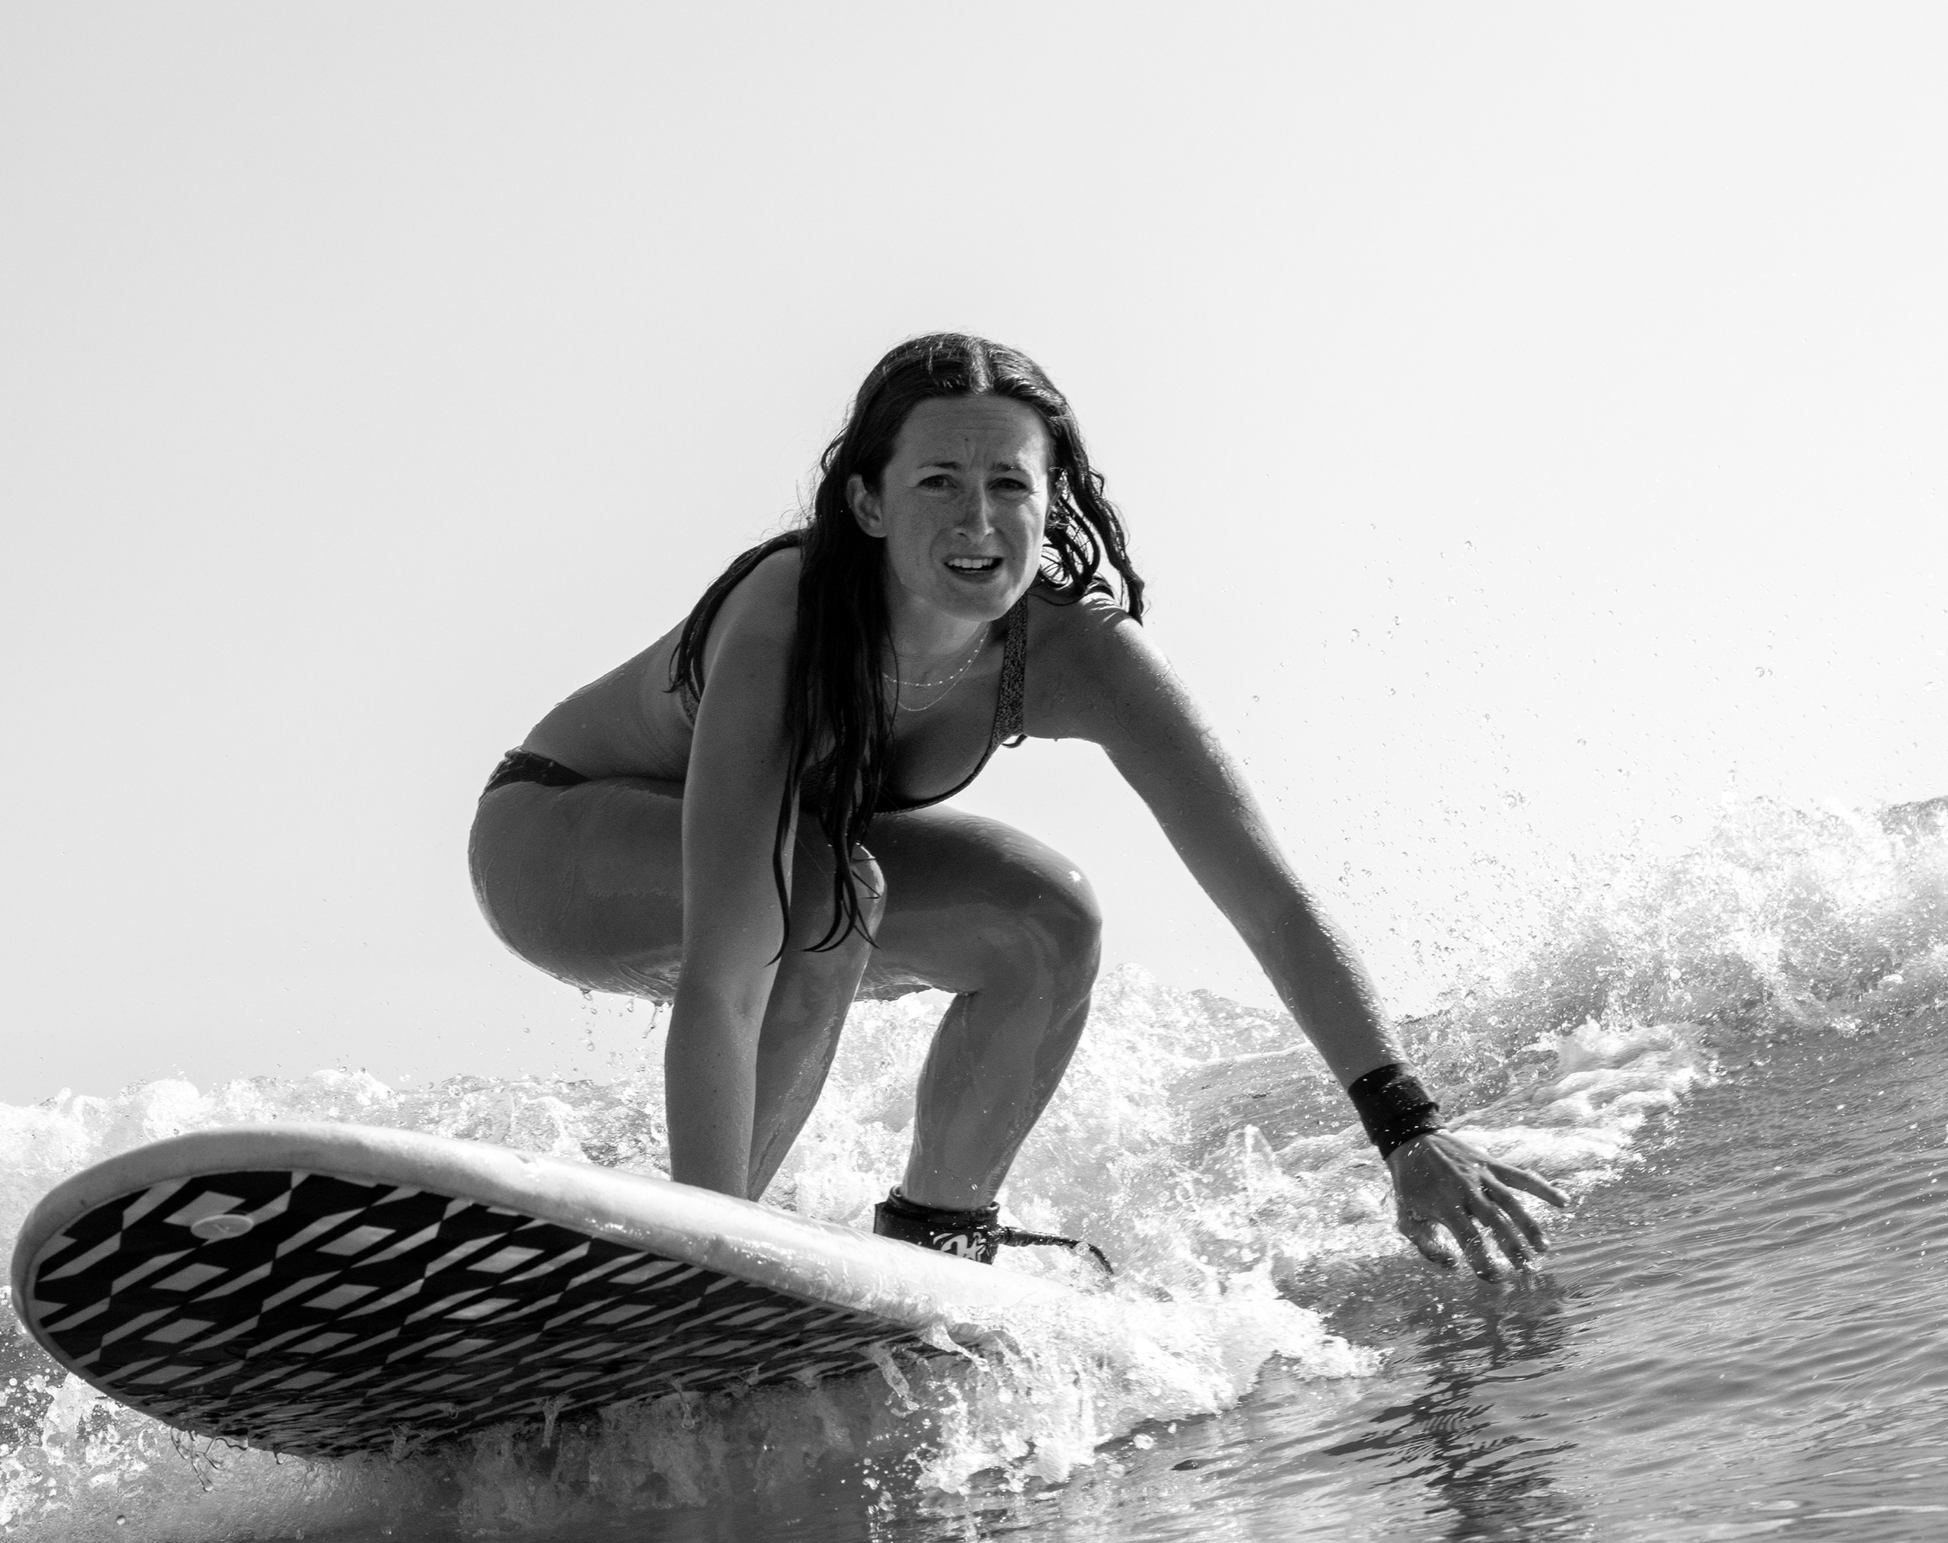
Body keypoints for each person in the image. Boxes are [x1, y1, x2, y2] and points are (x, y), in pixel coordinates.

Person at [468, 334, 1566, 1279]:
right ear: (866, 501)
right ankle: (701, 1256)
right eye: (937, 480)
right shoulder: (790, 615)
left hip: (804, 871)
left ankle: (936, 1238)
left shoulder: (1079, 656)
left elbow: (1266, 900)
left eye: (1008, 484)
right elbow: (725, 973)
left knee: (1046, 918)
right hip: (560, 840)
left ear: (1050, 505)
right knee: (819, 890)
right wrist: (701, 1261)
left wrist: (1407, 1132)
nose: (977, 516)